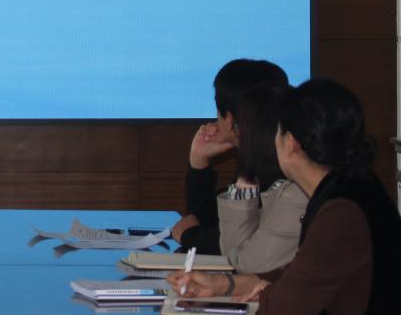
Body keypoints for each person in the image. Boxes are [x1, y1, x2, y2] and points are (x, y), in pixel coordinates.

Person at [169, 79, 401, 314]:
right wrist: (225, 285)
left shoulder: (341, 214)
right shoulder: (355, 186)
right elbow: (304, 274)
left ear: (290, 143)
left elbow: (284, 306)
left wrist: (264, 292)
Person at [171, 59, 289, 254]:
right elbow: (212, 220)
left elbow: (243, 242)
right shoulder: (267, 154)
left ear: (229, 119)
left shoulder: (277, 166)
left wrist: (191, 236)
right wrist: (199, 161)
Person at [217, 82, 307, 272]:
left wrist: (243, 182)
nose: (237, 135)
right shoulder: (281, 186)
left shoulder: (297, 194)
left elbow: (245, 265)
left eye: (240, 128)